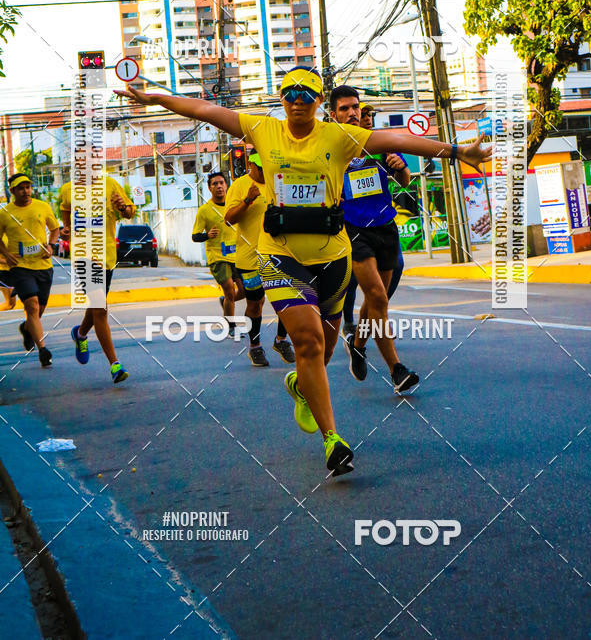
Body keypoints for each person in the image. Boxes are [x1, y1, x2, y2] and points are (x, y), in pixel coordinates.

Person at [117, 66, 492, 476]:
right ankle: (333, 441)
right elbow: (205, 109)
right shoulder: (263, 129)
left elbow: (401, 139)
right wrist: (156, 99)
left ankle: (299, 385)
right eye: (290, 91)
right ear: (281, 98)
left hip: (333, 258)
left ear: (318, 101)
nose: (297, 98)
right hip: (280, 256)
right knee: (309, 344)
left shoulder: (339, 136)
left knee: (325, 352)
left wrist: (458, 153)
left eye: (306, 92)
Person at [331, 86, 418, 393]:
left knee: (375, 299)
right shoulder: (329, 150)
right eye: (345, 109)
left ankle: (357, 345)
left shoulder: (380, 145)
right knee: (379, 298)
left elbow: (405, 183)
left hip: (386, 227)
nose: (352, 113)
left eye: (355, 107)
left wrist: (401, 168)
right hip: (354, 230)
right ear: (333, 115)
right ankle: (397, 369)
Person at [59, 174, 134, 384]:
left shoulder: (110, 185)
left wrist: (122, 208)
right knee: (100, 308)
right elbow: (66, 214)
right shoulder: (68, 189)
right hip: (83, 256)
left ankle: (80, 334)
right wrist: (66, 231)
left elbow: (129, 212)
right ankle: (115, 365)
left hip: (107, 257)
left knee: (95, 308)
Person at [224, 149, 295, 367]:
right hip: (250, 258)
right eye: (260, 168)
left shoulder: (279, 182)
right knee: (255, 304)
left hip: (280, 254)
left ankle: (281, 340)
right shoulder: (239, 185)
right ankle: (255, 346)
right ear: (251, 166)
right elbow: (228, 220)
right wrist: (248, 200)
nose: (265, 172)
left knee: (287, 301)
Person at [0, 174, 58, 366]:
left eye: (28, 187)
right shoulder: (5, 213)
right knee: (31, 305)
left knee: (38, 310)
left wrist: (51, 246)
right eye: (21, 188)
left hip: (43, 266)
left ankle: (27, 328)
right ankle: (43, 350)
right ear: (13, 191)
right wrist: (6, 255)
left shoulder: (42, 206)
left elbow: (55, 228)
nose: (26, 191)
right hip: (20, 267)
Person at [192, 171, 244, 337]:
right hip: (217, 257)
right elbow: (195, 236)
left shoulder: (234, 206)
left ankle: (227, 302)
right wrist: (207, 235)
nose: (219, 186)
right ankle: (231, 326)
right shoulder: (204, 210)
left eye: (221, 182)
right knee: (229, 289)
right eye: (215, 184)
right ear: (209, 188)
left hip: (238, 255)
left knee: (245, 290)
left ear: (226, 185)